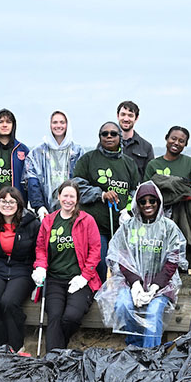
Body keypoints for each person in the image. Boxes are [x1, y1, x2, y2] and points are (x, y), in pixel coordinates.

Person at [96, 182, 186, 348]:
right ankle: (135, 346)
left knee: (153, 312)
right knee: (123, 305)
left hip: (162, 284)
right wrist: (135, 283)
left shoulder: (169, 227)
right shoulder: (128, 227)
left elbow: (172, 261)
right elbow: (120, 258)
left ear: (159, 202)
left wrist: (154, 287)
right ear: (137, 203)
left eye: (152, 200)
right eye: (143, 201)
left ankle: (151, 353)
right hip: (130, 281)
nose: (148, 205)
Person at [33, 180, 102, 351]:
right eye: (65, 196)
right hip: (55, 279)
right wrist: (40, 267)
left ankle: (58, 352)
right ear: (59, 197)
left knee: (71, 317)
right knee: (54, 316)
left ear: (77, 199)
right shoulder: (49, 221)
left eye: (72, 196)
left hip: (79, 279)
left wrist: (84, 277)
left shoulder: (87, 221)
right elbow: (41, 248)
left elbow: (95, 251)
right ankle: (54, 358)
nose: (68, 200)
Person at [72, 121, 140, 283]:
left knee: (123, 268)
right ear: (100, 137)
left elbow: (135, 192)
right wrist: (100, 194)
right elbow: (76, 187)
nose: (109, 136)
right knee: (99, 263)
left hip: (122, 229)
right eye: (105, 134)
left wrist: (128, 210)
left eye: (113, 134)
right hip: (96, 227)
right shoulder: (88, 159)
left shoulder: (129, 163)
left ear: (120, 137)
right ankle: (96, 298)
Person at [0, 187, 39, 351]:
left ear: (19, 204)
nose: (7, 205)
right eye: (4, 201)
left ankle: (17, 347)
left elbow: (38, 253)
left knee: (9, 302)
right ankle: (1, 347)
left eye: (12, 201)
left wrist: (39, 280)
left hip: (22, 270)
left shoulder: (31, 223)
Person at [144, 126, 191, 269]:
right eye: (173, 138)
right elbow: (147, 192)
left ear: (186, 144)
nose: (176, 143)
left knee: (188, 249)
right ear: (166, 138)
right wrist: (180, 187)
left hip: (187, 214)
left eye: (181, 141)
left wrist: (171, 192)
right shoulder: (154, 164)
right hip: (159, 214)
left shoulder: (190, 163)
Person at [24, 110, 83, 220]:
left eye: (62, 122)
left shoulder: (77, 151)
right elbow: (32, 181)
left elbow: (81, 182)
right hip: (45, 212)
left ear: (67, 125)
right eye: (55, 122)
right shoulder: (37, 152)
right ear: (49, 125)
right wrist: (39, 206)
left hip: (72, 210)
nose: (58, 125)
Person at [117, 100, 153, 179]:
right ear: (117, 116)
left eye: (130, 115)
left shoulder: (146, 147)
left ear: (136, 118)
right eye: (123, 114)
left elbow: (149, 178)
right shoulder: (106, 143)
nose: (126, 119)